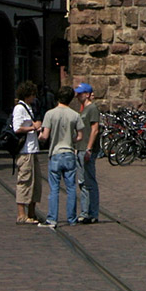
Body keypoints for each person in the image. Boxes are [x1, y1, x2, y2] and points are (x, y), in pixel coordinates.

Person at [39, 85, 83, 227]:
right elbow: (80, 136)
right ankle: (72, 218)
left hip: (56, 154)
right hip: (69, 153)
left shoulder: (50, 114)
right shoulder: (75, 115)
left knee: (54, 188)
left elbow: (45, 136)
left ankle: (52, 218)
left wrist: (39, 136)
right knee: (71, 188)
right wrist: (71, 139)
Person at [11, 81, 43, 224]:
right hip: (25, 151)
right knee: (24, 181)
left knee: (35, 183)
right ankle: (21, 214)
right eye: (33, 95)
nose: (34, 97)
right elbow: (17, 128)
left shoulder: (29, 107)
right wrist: (33, 127)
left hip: (33, 149)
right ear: (27, 95)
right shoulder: (19, 108)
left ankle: (32, 213)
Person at [73, 83, 101, 225]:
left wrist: (89, 148)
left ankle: (93, 212)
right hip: (81, 148)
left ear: (87, 94)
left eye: (80, 93)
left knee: (89, 181)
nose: (78, 96)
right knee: (82, 182)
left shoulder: (92, 109)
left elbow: (94, 129)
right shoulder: (83, 110)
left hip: (87, 150)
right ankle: (85, 212)